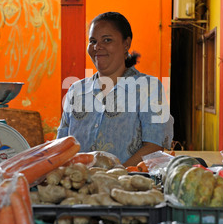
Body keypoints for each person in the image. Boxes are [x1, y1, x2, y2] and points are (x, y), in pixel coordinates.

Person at [57, 12, 173, 167]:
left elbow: (154, 146)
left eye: (107, 40)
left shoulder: (148, 88)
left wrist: (116, 175)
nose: (97, 47)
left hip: (125, 186)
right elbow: (61, 144)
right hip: (77, 185)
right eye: (92, 41)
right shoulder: (76, 91)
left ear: (126, 44)